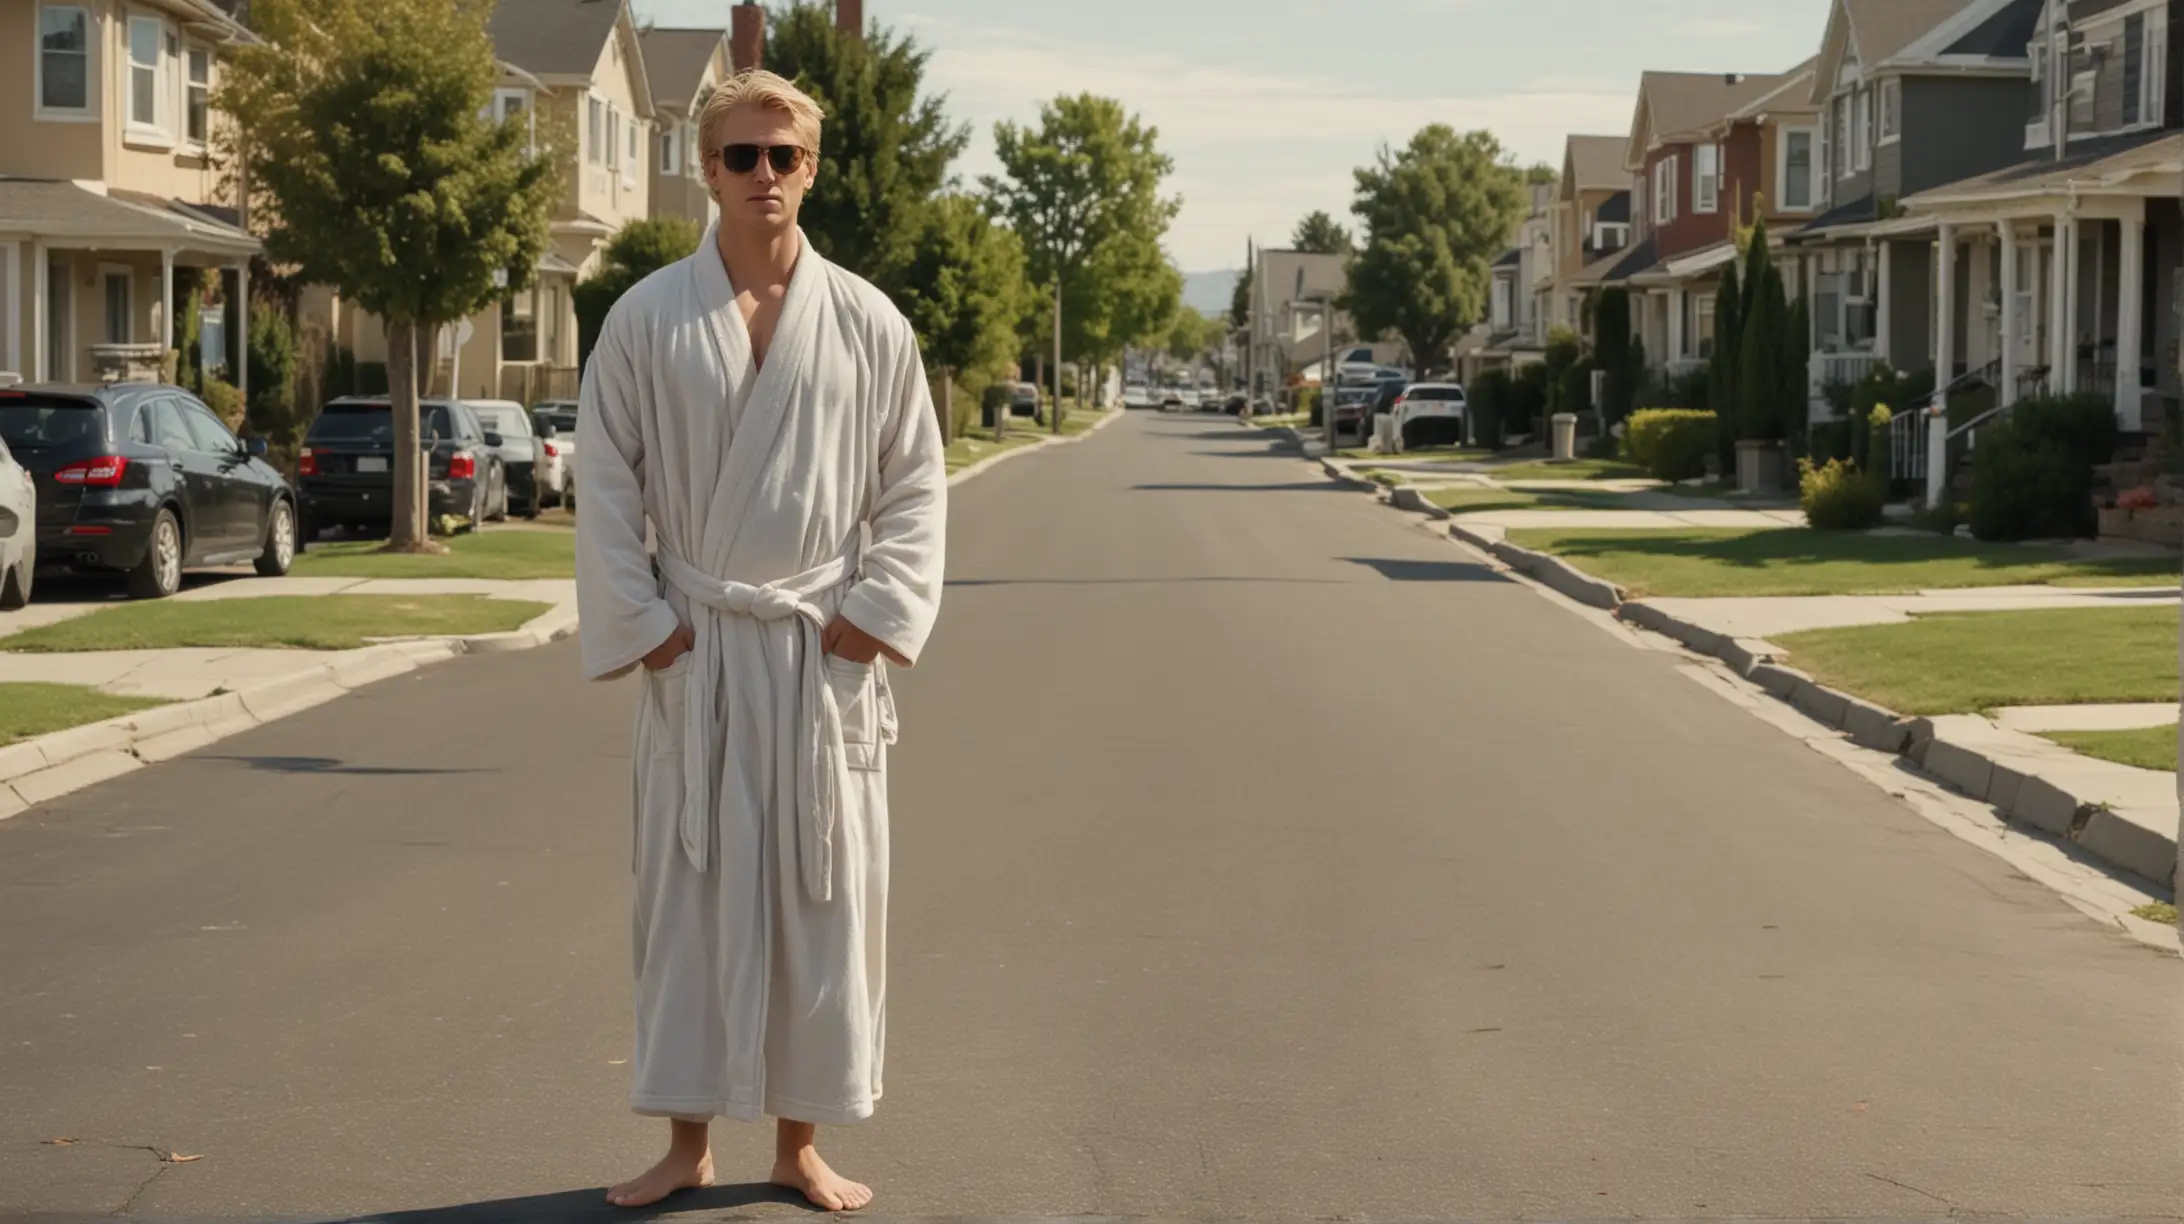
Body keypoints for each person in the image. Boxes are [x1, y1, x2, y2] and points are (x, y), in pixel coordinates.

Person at [575, 69, 948, 1211]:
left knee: (824, 904)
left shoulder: (869, 322)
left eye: (784, 157)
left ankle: (798, 1147)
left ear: (812, 168)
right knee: (685, 901)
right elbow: (603, 486)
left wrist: (863, 629)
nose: (765, 177)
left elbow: (915, 488)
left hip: (817, 660)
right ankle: (687, 1144)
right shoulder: (645, 317)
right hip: (701, 651)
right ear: (707, 167)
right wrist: (654, 639)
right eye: (743, 156)